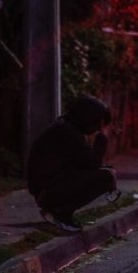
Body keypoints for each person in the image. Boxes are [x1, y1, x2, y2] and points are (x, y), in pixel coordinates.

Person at [26, 95, 117, 232]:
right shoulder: (68, 133)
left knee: (105, 173)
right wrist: (101, 141)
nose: (97, 129)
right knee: (105, 177)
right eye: (97, 124)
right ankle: (61, 213)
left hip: (49, 187)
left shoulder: (66, 128)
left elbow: (83, 164)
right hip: (48, 191)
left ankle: (60, 211)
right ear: (88, 118)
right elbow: (91, 164)